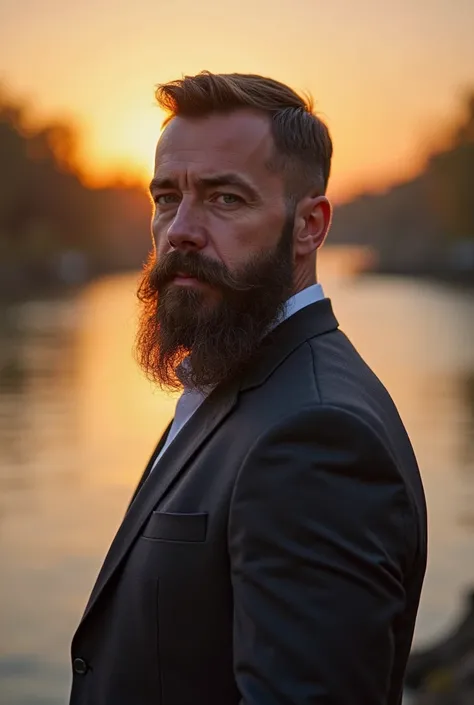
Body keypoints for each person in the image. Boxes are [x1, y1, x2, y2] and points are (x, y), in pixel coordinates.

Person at [70, 71, 427, 705]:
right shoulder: (233, 382)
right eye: (164, 198)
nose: (179, 230)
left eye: (224, 199)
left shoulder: (316, 438)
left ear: (309, 227)